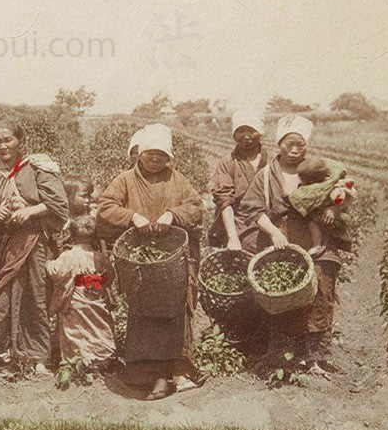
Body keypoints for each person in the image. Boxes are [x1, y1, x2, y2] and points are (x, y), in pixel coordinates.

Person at [96, 123, 204, 400]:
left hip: (174, 258)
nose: (155, 160)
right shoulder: (125, 180)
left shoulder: (178, 179)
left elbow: (195, 207)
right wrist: (132, 216)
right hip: (140, 261)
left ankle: (179, 371)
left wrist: (172, 214)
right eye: (149, 154)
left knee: (178, 310)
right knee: (146, 313)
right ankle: (155, 376)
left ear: (169, 158)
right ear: (140, 153)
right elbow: (106, 206)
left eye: (161, 156)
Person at [236, 115, 352, 373]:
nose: (294, 150)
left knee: (321, 292)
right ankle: (284, 355)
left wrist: (334, 208)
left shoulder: (318, 170)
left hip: (318, 238)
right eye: (289, 144)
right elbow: (252, 209)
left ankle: (314, 357)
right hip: (281, 238)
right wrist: (273, 234)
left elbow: (345, 192)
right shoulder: (267, 175)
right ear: (279, 144)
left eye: (300, 144)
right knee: (284, 295)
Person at [0, 121, 69, 375]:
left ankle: (38, 357)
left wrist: (30, 211)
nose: (3, 146)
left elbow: (59, 205)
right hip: (5, 243)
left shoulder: (37, 167)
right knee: (4, 295)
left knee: (35, 296)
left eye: (8, 140)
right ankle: (3, 351)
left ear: (20, 142)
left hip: (34, 242)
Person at [46, 215, 118, 374]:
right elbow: (109, 275)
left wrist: (48, 262)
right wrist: (95, 283)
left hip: (76, 300)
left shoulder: (69, 255)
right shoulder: (100, 257)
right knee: (98, 327)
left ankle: (81, 360)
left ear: (71, 235)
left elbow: (56, 272)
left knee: (77, 331)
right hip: (95, 299)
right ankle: (102, 358)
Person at [208, 108, 270, 250]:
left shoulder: (271, 162)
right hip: (238, 220)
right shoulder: (227, 163)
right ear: (234, 134)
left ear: (260, 132)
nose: (246, 136)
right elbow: (225, 202)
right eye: (241, 131)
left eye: (251, 130)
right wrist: (233, 237)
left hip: (268, 219)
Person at [291, 155, 356, 256]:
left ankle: (318, 245)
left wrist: (335, 207)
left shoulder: (331, 184)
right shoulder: (313, 170)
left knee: (313, 223)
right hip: (313, 214)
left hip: (327, 214)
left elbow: (348, 195)